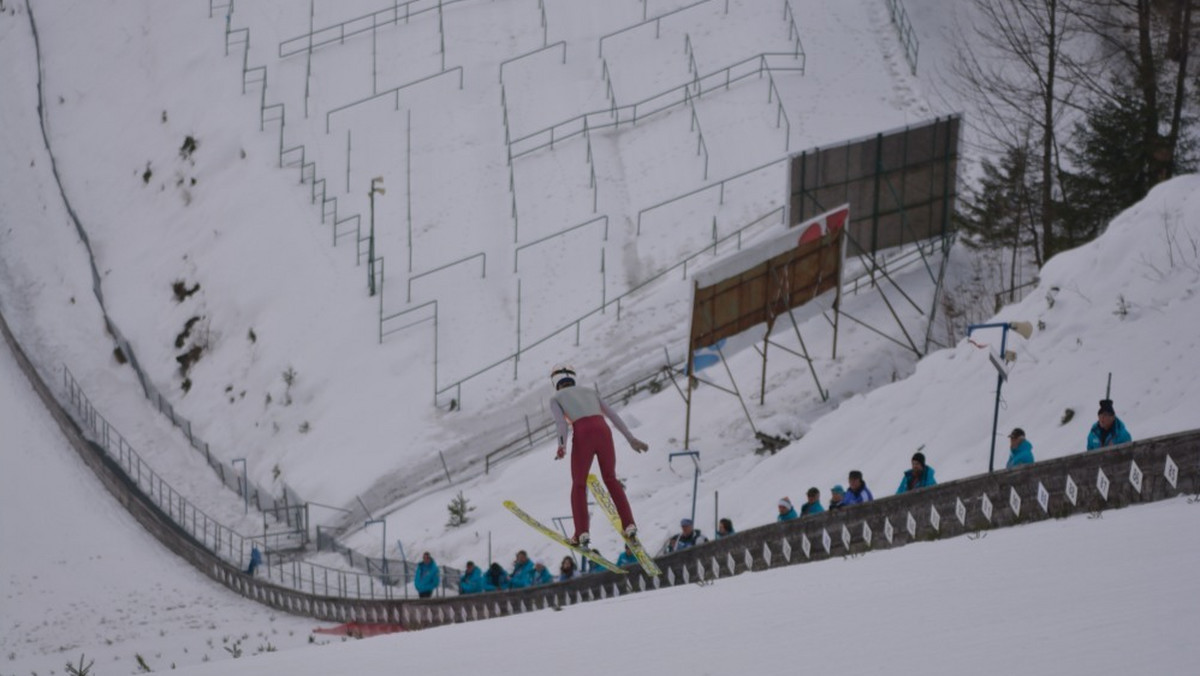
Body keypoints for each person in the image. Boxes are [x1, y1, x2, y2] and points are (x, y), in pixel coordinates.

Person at [548, 364, 649, 547]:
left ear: (555, 382)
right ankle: (629, 524)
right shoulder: (589, 392)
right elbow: (612, 414)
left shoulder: (556, 398)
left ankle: (581, 533)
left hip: (583, 432)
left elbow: (560, 424)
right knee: (611, 479)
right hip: (603, 430)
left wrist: (561, 446)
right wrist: (630, 438)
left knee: (579, 484)